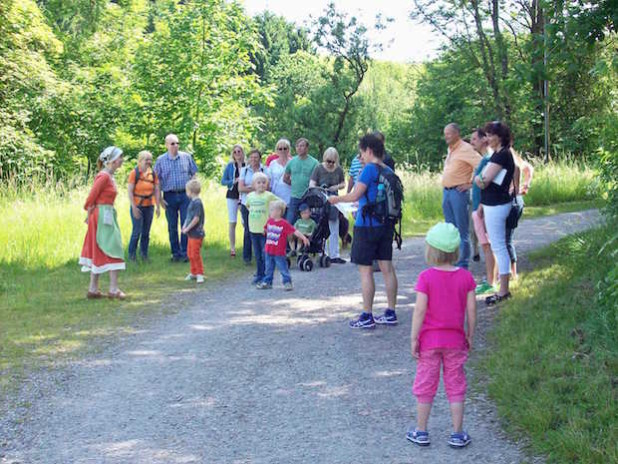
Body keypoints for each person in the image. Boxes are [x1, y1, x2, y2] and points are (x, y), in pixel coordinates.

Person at [407, 222, 476, 448]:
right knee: (455, 384)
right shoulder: (466, 277)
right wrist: (470, 334)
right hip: (455, 341)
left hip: (429, 342)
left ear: (431, 250)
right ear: (456, 250)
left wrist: (414, 338)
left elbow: (419, 311)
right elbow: (472, 311)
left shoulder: (426, 278)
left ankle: (421, 430)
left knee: (426, 384)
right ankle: (457, 433)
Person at [329, 133, 398, 329]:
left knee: (365, 271)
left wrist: (336, 200)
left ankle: (367, 315)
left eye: (362, 152)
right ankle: (391, 312)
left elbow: (355, 196)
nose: (362, 157)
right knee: (387, 268)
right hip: (386, 225)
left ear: (369, 150)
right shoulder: (387, 168)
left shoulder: (369, 169)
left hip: (366, 226)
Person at [474, 121, 516, 305]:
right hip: (492, 203)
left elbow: (483, 180)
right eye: (487, 135)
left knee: (498, 246)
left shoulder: (501, 156)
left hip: (497, 205)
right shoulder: (500, 154)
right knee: (499, 245)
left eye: (491, 135)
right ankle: (503, 288)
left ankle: (504, 290)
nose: (488, 138)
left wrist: (477, 178)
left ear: (500, 136)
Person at [79, 146, 127, 300]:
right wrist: (90, 209)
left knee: (100, 248)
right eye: (120, 157)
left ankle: (93, 289)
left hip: (105, 214)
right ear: (112, 160)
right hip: (102, 216)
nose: (122, 160)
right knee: (114, 247)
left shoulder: (108, 176)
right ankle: (113, 289)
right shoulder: (104, 176)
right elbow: (92, 195)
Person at [441, 123, 482, 269]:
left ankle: (462, 263)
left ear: (457, 134)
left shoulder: (466, 149)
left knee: (461, 229)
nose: (446, 136)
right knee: (450, 229)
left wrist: (471, 184)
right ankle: (453, 260)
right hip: (446, 192)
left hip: (459, 193)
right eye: (445, 133)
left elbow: (482, 165)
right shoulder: (451, 149)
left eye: (449, 133)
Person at [154, 134, 198, 262]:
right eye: (172, 143)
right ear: (166, 145)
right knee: (172, 226)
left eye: (177, 143)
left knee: (186, 223)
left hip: (185, 195)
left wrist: (194, 191)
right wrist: (160, 200)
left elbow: (194, 173)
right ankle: (175, 253)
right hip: (169, 195)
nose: (175, 146)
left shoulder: (186, 157)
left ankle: (185, 252)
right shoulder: (160, 160)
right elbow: (157, 181)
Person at [258, 200, 310, 291]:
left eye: (271, 210)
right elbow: (266, 229)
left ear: (278, 212)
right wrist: (264, 232)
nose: (270, 213)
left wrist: (304, 238)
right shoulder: (269, 221)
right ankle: (267, 282)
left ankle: (287, 282)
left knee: (282, 267)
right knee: (268, 267)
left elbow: (295, 231)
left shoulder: (284, 223)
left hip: (279, 252)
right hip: (269, 250)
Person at [469, 129, 496, 295]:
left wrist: (482, 206)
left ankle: (491, 281)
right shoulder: (484, 159)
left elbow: (488, 184)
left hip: (482, 208)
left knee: (487, 245)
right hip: (479, 206)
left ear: (484, 140)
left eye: (474, 139)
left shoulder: (488, 159)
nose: (472, 142)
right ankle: (491, 279)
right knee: (488, 245)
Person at [309, 147, 346, 264]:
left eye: (332, 162)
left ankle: (335, 254)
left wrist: (336, 187)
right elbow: (312, 184)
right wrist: (320, 188)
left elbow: (343, 183)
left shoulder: (339, 170)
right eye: (328, 161)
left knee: (334, 226)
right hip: (321, 199)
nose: (330, 164)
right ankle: (323, 253)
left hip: (334, 200)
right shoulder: (319, 168)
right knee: (322, 226)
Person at [245, 171, 280, 285]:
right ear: (254, 185)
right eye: (258, 182)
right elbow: (248, 206)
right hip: (253, 229)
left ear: (267, 184)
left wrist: (274, 215)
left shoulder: (269, 196)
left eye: (263, 182)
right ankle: (259, 274)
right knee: (257, 254)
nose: (261, 185)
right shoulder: (250, 196)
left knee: (266, 253)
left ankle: (267, 275)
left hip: (265, 230)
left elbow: (281, 203)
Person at [127, 150, 160, 262]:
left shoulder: (153, 174)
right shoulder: (134, 173)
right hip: (137, 206)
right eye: (146, 159)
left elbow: (156, 190)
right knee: (137, 232)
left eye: (150, 159)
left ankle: (144, 255)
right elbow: (130, 191)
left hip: (149, 206)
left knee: (146, 233)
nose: (149, 162)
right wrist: (134, 207)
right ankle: (132, 256)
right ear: (140, 160)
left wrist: (158, 206)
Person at [506, 150, 534, 279]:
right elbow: (529, 168)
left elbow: (527, 169)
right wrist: (527, 184)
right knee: (506, 238)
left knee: (506, 239)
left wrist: (521, 187)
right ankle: (509, 271)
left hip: (512, 201)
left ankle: (513, 272)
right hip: (516, 200)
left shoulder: (510, 159)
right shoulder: (514, 157)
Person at [238, 149, 265, 265]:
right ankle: (247, 257)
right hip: (247, 204)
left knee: (263, 229)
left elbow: (268, 187)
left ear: (260, 158)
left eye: (256, 157)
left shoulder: (265, 169)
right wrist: (257, 188)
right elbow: (240, 188)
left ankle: (263, 255)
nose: (253, 160)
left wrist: (249, 188)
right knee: (248, 230)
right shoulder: (244, 170)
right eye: (251, 157)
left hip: (262, 203)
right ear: (248, 159)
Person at [283, 138, 319, 225]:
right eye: (297, 146)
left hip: (308, 197)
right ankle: (290, 239)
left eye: (302, 146)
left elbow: (318, 180)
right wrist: (294, 184)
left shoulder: (314, 163)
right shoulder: (291, 162)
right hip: (295, 196)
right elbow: (285, 178)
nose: (299, 148)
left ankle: (307, 238)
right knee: (290, 222)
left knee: (307, 222)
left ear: (307, 148)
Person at [221, 145, 245, 258]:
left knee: (246, 222)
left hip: (245, 195)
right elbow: (223, 181)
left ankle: (247, 246)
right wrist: (233, 181)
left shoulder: (247, 165)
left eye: (239, 151)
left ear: (242, 152)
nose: (237, 154)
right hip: (232, 195)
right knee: (232, 222)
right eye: (235, 152)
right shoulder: (230, 166)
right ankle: (232, 248)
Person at [181, 179, 205, 284]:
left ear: (190, 191)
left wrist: (187, 228)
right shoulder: (192, 203)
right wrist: (184, 226)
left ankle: (200, 273)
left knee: (195, 254)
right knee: (190, 253)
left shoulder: (197, 203)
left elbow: (196, 218)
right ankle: (193, 272)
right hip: (191, 234)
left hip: (196, 234)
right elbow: (188, 217)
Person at [267, 139, 293, 208]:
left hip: (290, 196)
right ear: (277, 150)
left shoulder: (293, 162)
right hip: (276, 195)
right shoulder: (273, 163)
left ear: (288, 149)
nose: (282, 151)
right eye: (280, 149)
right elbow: (269, 180)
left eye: (285, 148)